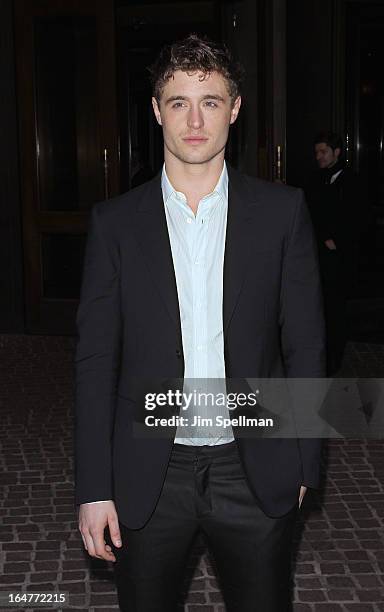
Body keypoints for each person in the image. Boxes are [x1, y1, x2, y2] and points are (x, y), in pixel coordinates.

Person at [75, 34, 325, 612]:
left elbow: (307, 343)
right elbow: (94, 363)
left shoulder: (281, 213)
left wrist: (304, 455)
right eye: (179, 101)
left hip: (254, 464)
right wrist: (94, 487)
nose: (194, 119)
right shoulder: (115, 224)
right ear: (157, 110)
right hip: (148, 473)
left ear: (234, 110)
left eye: (210, 101)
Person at [305, 131, 365, 375]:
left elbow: (359, 217)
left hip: (339, 257)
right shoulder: (317, 180)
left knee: (336, 308)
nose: (319, 157)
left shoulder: (351, 181)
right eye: (317, 152)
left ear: (337, 153)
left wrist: (338, 240)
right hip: (319, 254)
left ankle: (336, 359)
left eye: (323, 152)